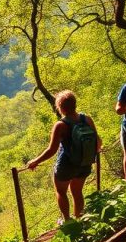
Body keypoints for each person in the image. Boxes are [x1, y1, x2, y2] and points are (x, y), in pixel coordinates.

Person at [26, 90, 102, 222]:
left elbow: (52, 150)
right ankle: (79, 218)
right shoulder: (87, 119)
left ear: (59, 107)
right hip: (85, 163)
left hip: (67, 165)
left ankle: (67, 221)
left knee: (61, 192)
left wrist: (35, 161)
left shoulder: (60, 125)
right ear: (75, 104)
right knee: (77, 192)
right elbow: (98, 141)